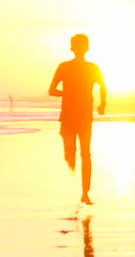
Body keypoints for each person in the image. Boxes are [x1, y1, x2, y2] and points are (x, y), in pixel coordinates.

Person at [49, 34, 106, 205]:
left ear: (72, 48)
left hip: (79, 116)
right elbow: (51, 90)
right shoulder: (70, 67)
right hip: (75, 116)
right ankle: (84, 191)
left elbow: (52, 91)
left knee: (84, 154)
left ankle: (84, 193)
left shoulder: (84, 68)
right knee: (81, 154)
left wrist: (103, 103)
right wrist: (102, 103)